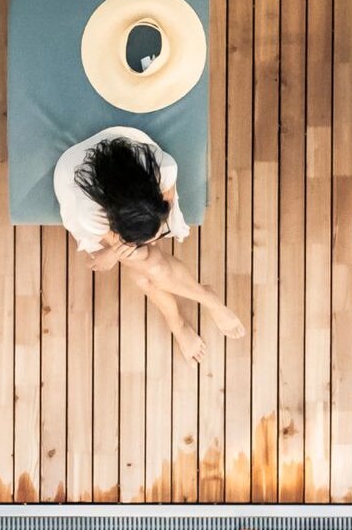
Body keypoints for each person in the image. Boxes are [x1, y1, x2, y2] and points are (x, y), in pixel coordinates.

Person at [54, 126, 245, 363]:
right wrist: (113, 250)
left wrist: (115, 254)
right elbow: (125, 243)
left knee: (144, 269)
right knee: (145, 265)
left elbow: (159, 214)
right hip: (77, 179)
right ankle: (205, 302)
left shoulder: (163, 169)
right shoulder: (90, 214)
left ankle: (187, 315)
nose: (154, 241)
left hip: (128, 173)